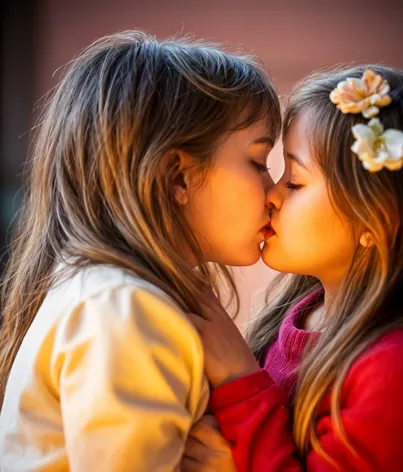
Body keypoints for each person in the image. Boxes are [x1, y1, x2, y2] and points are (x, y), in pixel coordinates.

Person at [0, 30, 281, 471]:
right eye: (259, 162)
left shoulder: (108, 295)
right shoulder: (125, 307)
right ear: (177, 177)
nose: (273, 192)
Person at [184, 66, 403, 471]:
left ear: (376, 219)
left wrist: (238, 379)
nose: (271, 195)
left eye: (295, 182)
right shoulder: (295, 316)